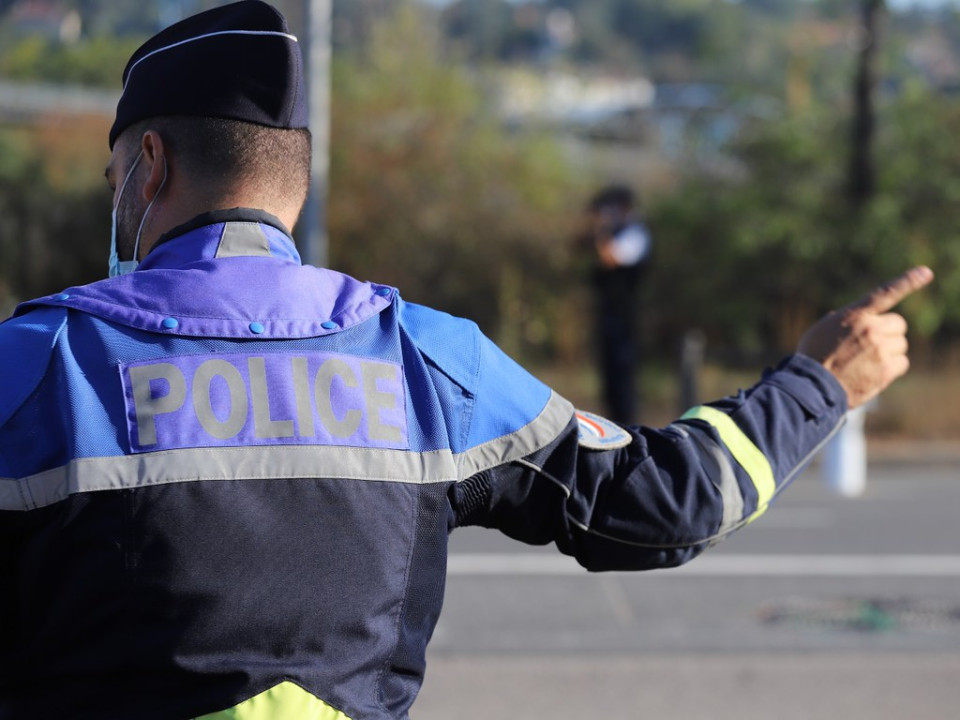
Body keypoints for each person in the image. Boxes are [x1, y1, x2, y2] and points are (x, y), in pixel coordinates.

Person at [0, 2, 933, 719]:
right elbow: (664, 504)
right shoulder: (429, 361)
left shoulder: (36, 363)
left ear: (151, 166)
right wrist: (821, 381)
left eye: (114, 181)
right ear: (293, 181)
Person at [585, 184, 651, 424]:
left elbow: (611, 258)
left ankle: (629, 428)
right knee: (610, 381)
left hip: (625, 319)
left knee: (623, 379)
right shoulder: (614, 233)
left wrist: (601, 230)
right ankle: (615, 425)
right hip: (609, 316)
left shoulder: (636, 233)